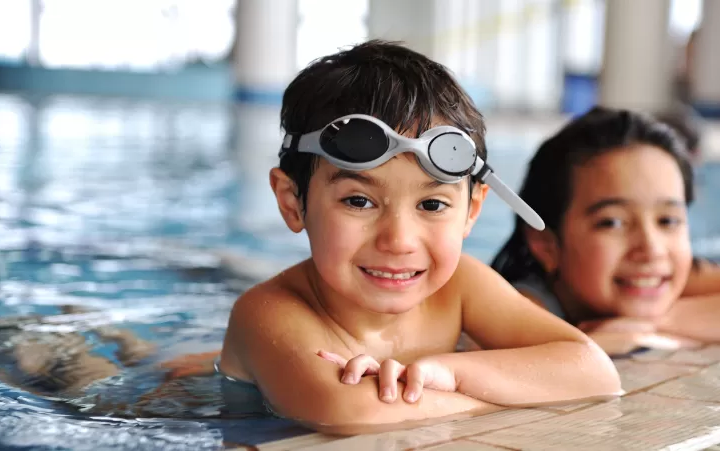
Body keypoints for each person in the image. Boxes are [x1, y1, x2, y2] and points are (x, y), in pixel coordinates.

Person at [192, 40, 622, 435]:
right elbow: (350, 413)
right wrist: (502, 392)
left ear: (471, 211)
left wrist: (447, 373)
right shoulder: (268, 312)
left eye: (432, 205)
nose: (399, 241)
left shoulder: (461, 286)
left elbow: (594, 373)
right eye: (358, 201)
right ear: (292, 201)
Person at [492, 106, 720, 357]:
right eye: (612, 223)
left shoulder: (656, 277)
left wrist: (658, 322)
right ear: (547, 245)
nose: (651, 249)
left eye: (667, 220)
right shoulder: (515, 310)